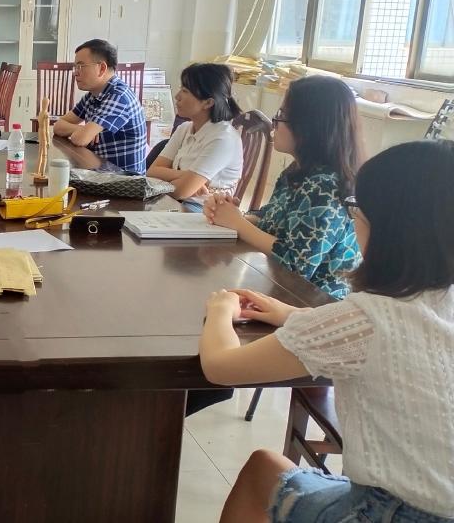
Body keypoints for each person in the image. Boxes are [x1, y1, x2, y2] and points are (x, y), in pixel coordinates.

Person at [200, 139, 454, 523]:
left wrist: (220, 310)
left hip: (390, 512)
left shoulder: (367, 317)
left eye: (357, 211)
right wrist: (293, 315)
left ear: (387, 229)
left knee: (260, 473)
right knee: (265, 468)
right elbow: (392, 334)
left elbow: (220, 367)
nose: (353, 220)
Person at [204, 75, 362, 299]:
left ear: (309, 126)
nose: (275, 123)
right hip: (280, 288)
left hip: (314, 302)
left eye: (281, 115)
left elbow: (296, 264)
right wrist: (227, 213)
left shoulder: (326, 186)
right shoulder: (298, 170)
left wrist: (238, 223)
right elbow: (271, 222)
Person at [147, 63, 243, 199]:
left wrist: (179, 181)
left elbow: (180, 192)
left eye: (185, 91)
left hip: (202, 208)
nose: (177, 96)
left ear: (208, 102)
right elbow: (151, 172)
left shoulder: (223, 138)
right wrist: (187, 176)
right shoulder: (184, 128)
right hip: (175, 203)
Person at [53, 39, 147, 173]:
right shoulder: (93, 95)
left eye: (81, 66)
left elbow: (80, 139)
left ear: (102, 68)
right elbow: (58, 126)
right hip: (102, 172)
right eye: (75, 67)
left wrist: (83, 133)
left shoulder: (119, 96)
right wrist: (81, 129)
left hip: (124, 180)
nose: (75, 72)